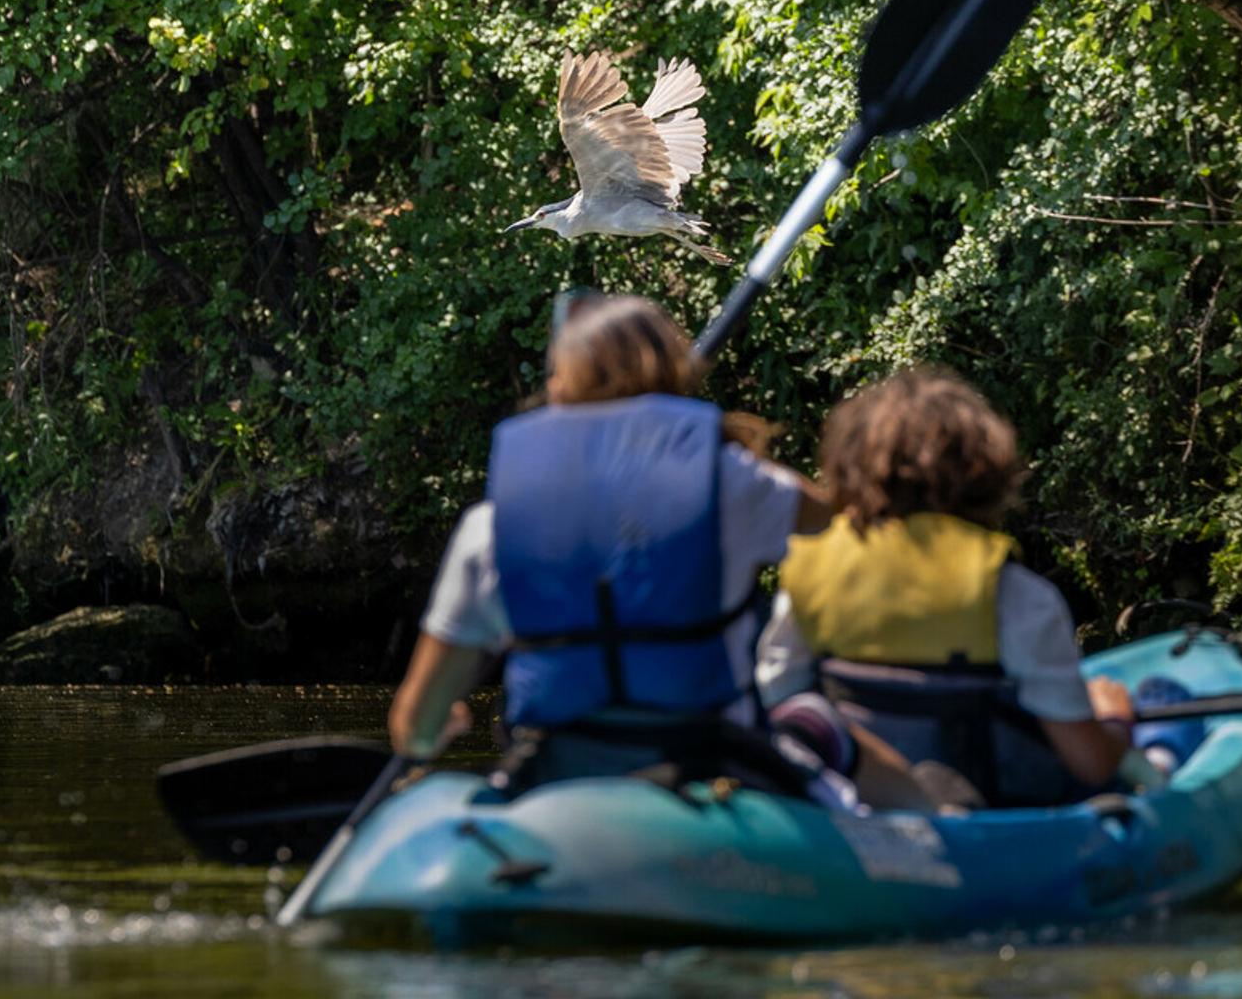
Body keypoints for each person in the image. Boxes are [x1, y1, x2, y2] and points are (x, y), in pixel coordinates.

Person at [386, 292, 835, 793]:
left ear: (559, 389)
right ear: (674, 377)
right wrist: (715, 442)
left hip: (557, 784)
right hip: (710, 773)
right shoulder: (734, 484)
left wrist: (433, 729)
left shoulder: (488, 528)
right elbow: (826, 514)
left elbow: (413, 731)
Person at [755, 367, 1155, 808]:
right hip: (1000, 818)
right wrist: (1114, 718)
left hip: (867, 807)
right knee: (1159, 715)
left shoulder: (809, 573)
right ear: (986, 471)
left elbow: (781, 703)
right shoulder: (1014, 592)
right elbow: (1091, 765)